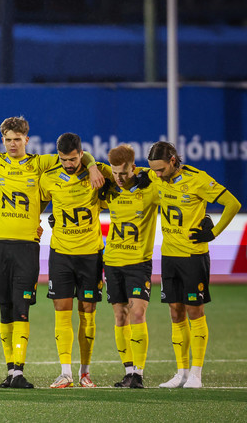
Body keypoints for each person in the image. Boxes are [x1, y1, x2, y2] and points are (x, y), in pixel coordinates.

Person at [0, 117, 104, 388]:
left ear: (27, 139)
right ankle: (10, 370)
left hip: (27, 246)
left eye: (17, 139)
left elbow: (76, 156)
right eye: (8, 140)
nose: (13, 144)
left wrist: (93, 166)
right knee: (4, 308)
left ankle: (19, 371)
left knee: (22, 308)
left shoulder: (40, 163)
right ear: (2, 140)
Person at [147, 141, 241, 388]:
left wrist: (213, 233)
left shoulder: (198, 179)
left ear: (173, 161)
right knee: (175, 312)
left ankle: (196, 374)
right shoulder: (155, 176)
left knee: (195, 311)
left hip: (193, 256)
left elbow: (233, 204)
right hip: (169, 256)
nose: (158, 175)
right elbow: (125, 169)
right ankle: (181, 373)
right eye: (154, 170)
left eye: (161, 169)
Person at [39, 132, 111, 389]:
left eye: (73, 159)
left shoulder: (98, 171)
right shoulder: (49, 177)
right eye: (63, 159)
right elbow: (38, 203)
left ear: (82, 154)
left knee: (88, 311)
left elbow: (122, 177)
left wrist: (92, 167)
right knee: (61, 310)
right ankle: (65, 372)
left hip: (90, 254)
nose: (68, 164)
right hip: (61, 254)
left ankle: (85, 372)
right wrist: (38, 221)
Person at [99, 144, 160, 389]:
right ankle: (128, 371)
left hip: (138, 263)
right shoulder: (110, 189)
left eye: (123, 173)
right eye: (115, 173)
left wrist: (147, 172)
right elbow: (91, 167)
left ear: (133, 168)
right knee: (120, 315)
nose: (119, 178)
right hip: (112, 261)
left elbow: (169, 178)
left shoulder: (149, 188)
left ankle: (139, 374)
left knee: (138, 313)